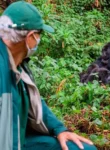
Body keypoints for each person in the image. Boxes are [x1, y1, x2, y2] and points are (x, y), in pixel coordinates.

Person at [0, 1, 97, 150]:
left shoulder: (18, 65)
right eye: (40, 34)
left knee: (83, 148)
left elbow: (33, 100)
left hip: (19, 138)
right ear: (31, 37)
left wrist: (59, 129)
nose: (39, 40)